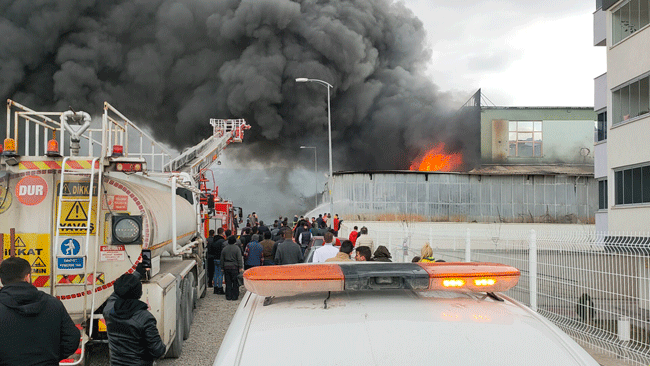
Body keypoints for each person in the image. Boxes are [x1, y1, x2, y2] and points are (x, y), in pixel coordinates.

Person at [0, 257, 80, 366]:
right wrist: (51, 358)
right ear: (28, 277)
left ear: (1, 279)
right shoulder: (53, 304)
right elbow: (72, 339)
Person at [104, 268, 166, 366]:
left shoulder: (109, 310)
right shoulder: (145, 318)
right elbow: (158, 351)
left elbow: (118, 292)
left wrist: (138, 272)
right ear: (139, 294)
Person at [221, 236, 244, 301]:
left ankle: (228, 296)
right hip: (234, 267)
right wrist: (240, 267)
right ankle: (235, 296)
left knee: (228, 282)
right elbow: (239, 259)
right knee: (235, 282)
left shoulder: (224, 249)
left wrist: (222, 267)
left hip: (226, 266)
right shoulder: (237, 248)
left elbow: (222, 259)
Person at [212, 228, 227, 294]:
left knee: (216, 274)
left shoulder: (214, 240)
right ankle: (220, 288)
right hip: (220, 259)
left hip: (215, 258)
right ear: (222, 232)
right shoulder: (222, 241)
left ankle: (215, 288)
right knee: (220, 274)